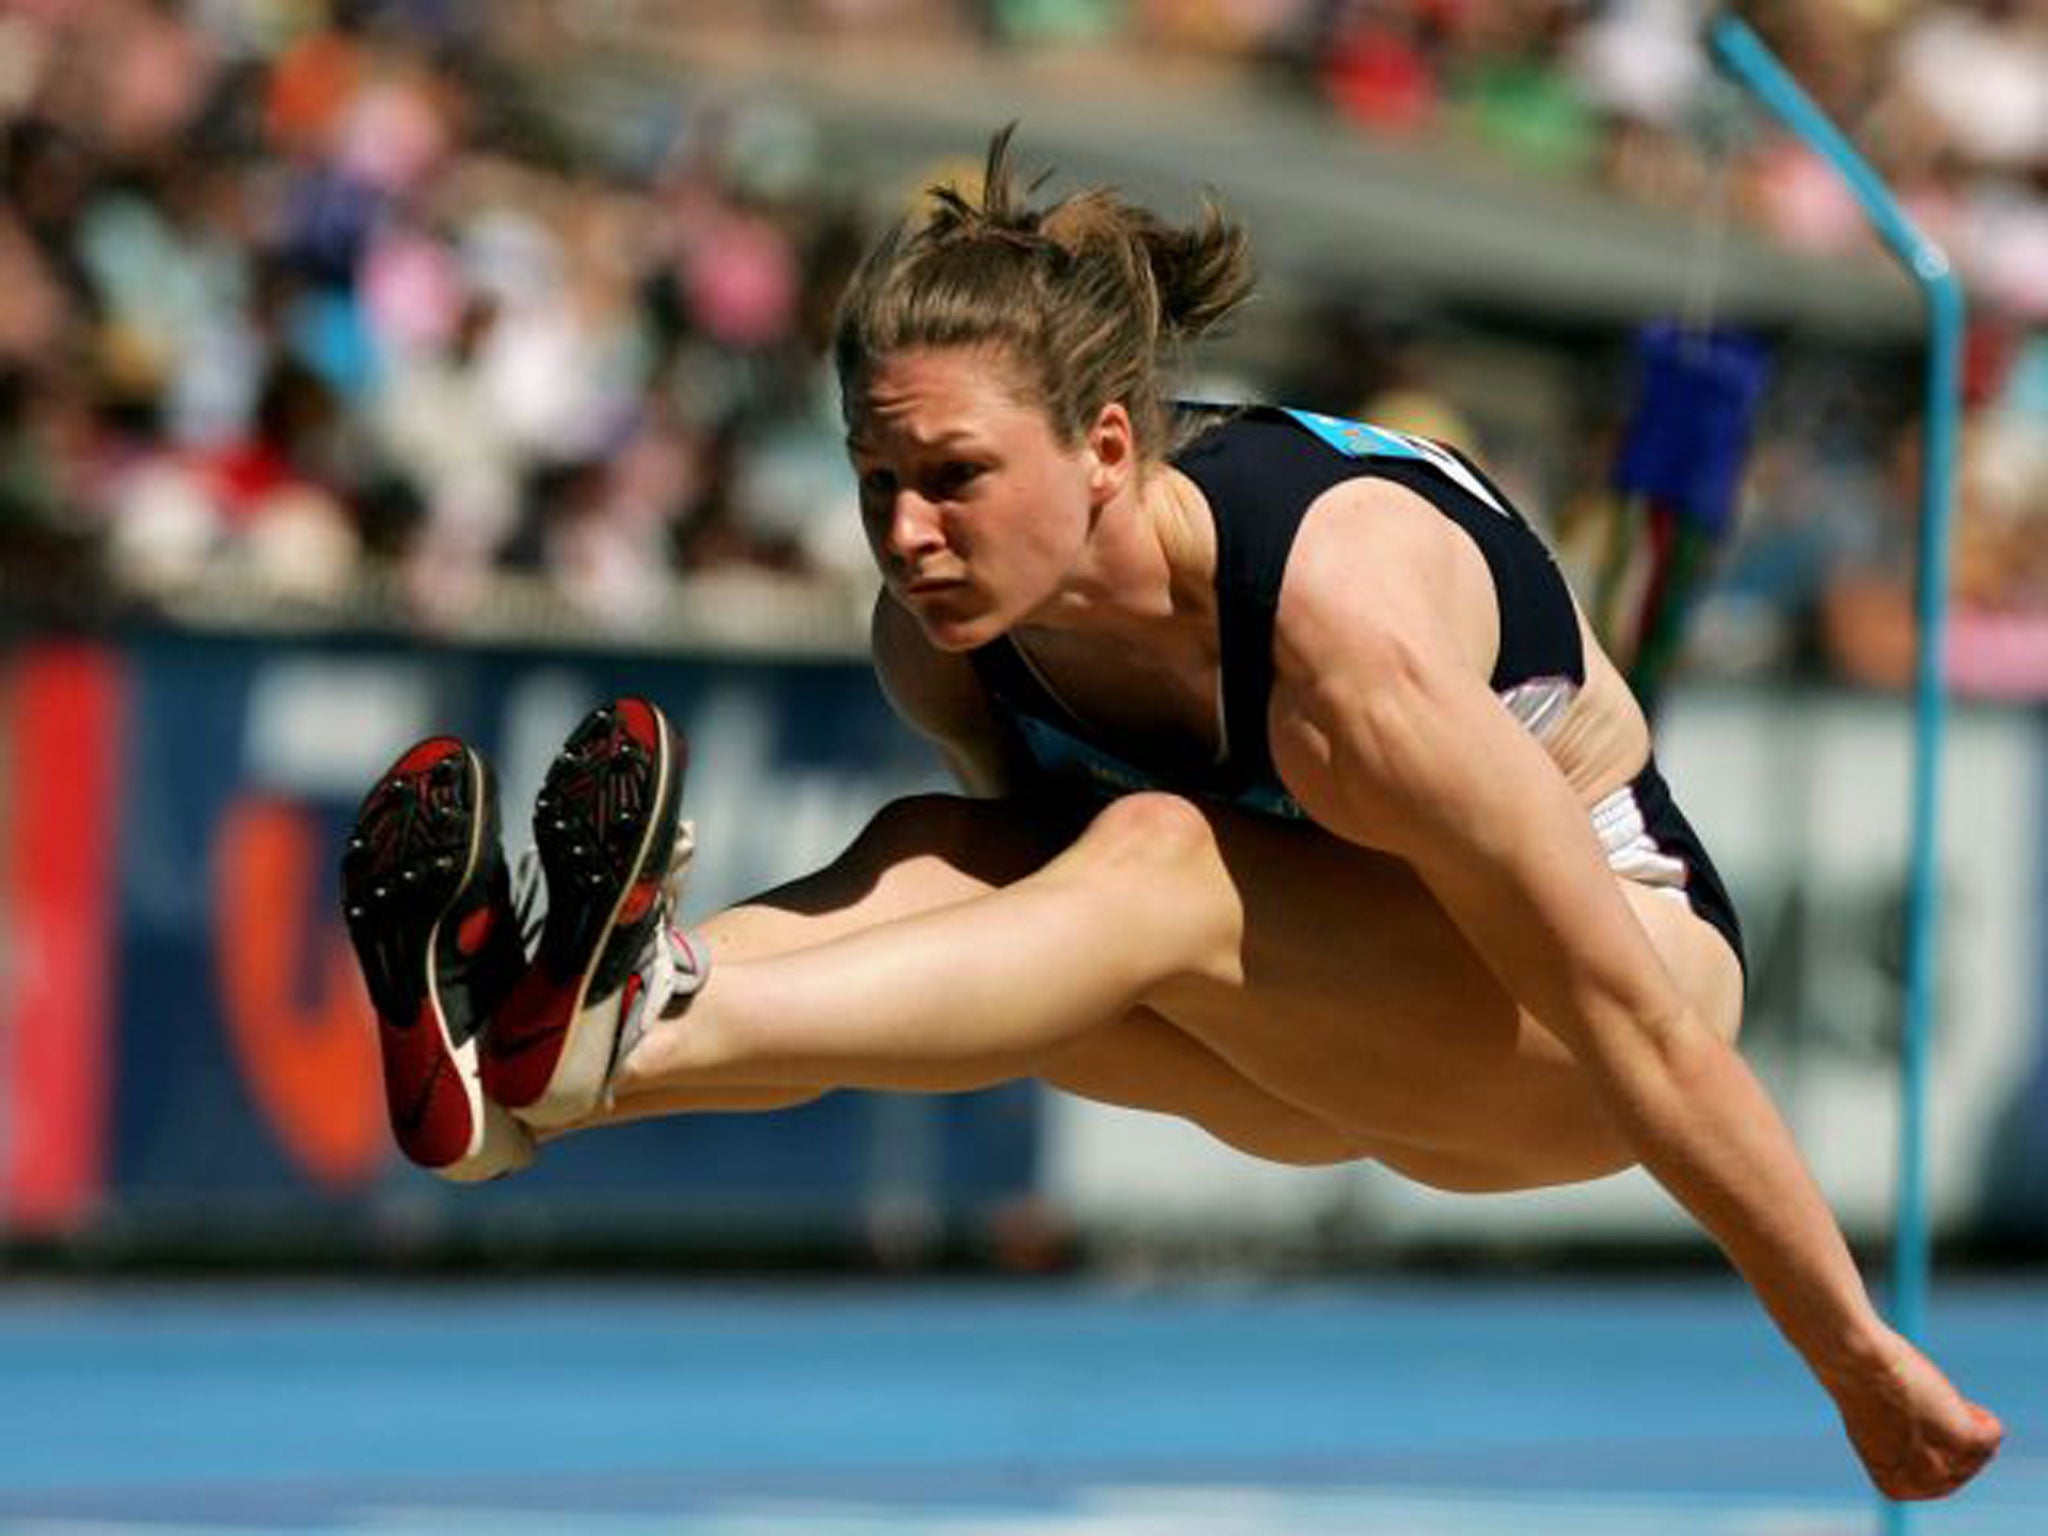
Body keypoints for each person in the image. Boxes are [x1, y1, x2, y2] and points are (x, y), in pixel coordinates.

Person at [340, 129, 2002, 1503]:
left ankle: (621, 1021)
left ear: (1109, 446)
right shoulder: (945, 648)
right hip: (1301, 1020)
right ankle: (520, 1092)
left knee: (1154, 857)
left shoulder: (1350, 648)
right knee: (944, 856)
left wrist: (1850, 1352)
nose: (906, 534)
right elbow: (1012, 941)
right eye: (873, 483)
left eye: (953, 480)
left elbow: (1642, 1028)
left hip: (1573, 1041)